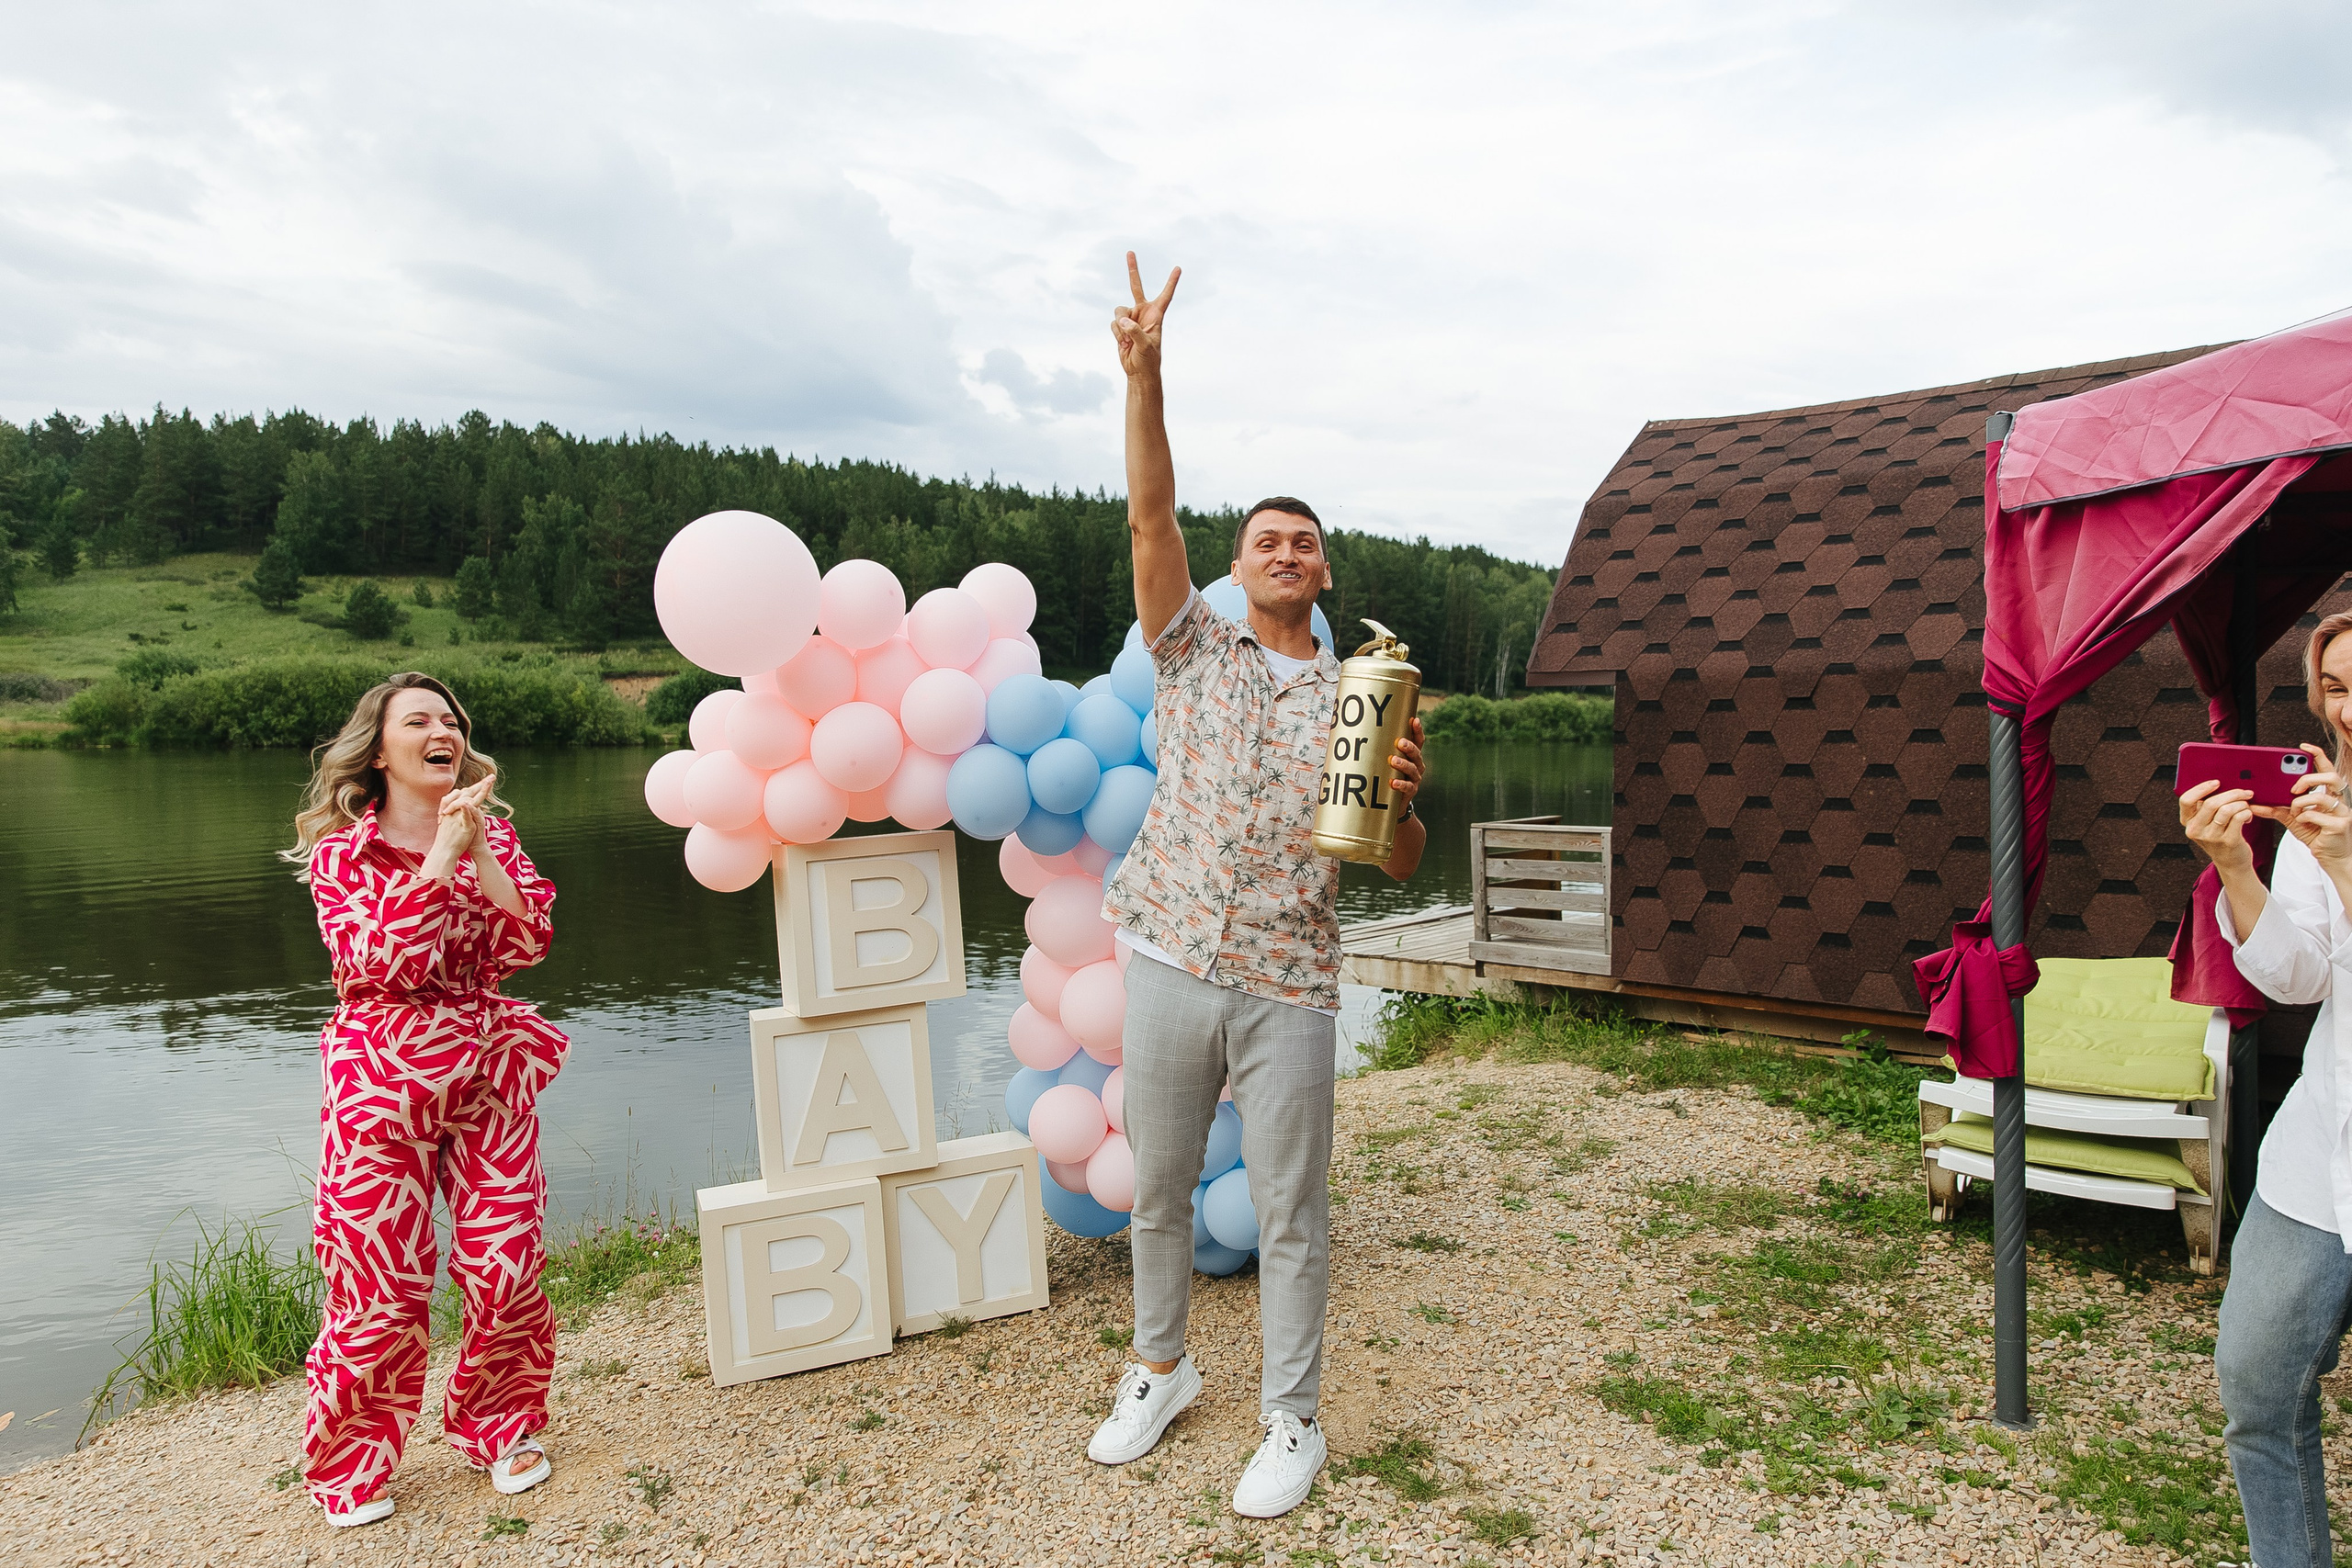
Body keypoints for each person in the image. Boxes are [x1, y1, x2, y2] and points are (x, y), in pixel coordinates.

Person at [1087, 254, 1428, 1517]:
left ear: (1325, 574)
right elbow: (1150, 514)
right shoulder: (1193, 648)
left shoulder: (1363, 697)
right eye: (1265, 538)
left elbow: (1390, 863)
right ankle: (1159, 1368)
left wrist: (1400, 795)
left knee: (1291, 1208)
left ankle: (1292, 1416)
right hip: (1171, 952)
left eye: (1306, 542)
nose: (1287, 551)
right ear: (1235, 569)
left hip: (1292, 977)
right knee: (1159, 1184)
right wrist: (1148, 375)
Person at [281, 672, 570, 1529]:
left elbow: (527, 940)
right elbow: (382, 962)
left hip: (486, 1065)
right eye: (420, 720)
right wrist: (441, 850)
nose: (442, 729)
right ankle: (350, 1460)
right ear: (380, 750)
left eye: (451, 719)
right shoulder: (341, 855)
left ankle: (501, 1423)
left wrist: (477, 844)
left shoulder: (493, 833)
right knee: (381, 1282)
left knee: (507, 1254)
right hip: (379, 1079)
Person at [2184, 611, 2352, 1568]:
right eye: (2332, 685)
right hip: (2312, 1159)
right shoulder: (2325, 801)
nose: (2346, 703)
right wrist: (2236, 867)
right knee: (2255, 1392)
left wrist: (2340, 858)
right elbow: (2297, 978)